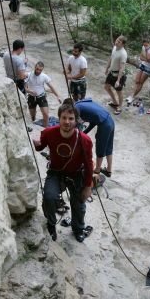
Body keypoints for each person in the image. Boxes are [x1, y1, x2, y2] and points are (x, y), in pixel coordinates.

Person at [33, 101, 94, 242]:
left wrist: (88, 186)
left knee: (78, 204)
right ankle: (51, 225)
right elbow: (40, 146)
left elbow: (89, 164)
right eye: (64, 118)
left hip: (77, 174)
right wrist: (35, 143)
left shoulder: (84, 140)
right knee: (49, 197)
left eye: (71, 118)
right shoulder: (48, 133)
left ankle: (78, 228)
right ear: (59, 118)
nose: (67, 122)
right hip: (56, 172)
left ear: (76, 120)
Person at [74, 97, 115, 178]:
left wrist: (78, 135)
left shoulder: (76, 108)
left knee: (100, 147)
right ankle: (108, 170)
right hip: (110, 121)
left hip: (105, 125)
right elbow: (93, 123)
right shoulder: (83, 103)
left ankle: (97, 170)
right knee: (108, 147)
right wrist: (83, 133)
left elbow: (76, 124)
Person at [25, 61, 62, 127]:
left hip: (41, 97)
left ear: (42, 70)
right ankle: (33, 124)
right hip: (31, 97)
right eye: (37, 69)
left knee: (46, 114)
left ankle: (45, 129)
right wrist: (30, 91)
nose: (38, 71)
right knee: (32, 115)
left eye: (40, 70)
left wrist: (58, 96)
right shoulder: (28, 75)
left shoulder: (44, 76)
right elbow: (25, 88)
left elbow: (51, 86)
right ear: (35, 67)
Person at [126, 38, 150, 105]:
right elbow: (141, 57)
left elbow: (148, 59)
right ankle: (132, 95)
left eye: (146, 45)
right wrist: (146, 58)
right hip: (143, 64)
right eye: (144, 45)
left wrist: (146, 51)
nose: (145, 46)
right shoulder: (143, 46)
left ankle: (132, 96)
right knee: (137, 81)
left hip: (149, 67)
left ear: (149, 43)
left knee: (140, 82)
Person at [104, 36, 128, 115]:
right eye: (117, 40)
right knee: (106, 87)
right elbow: (111, 58)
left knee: (119, 92)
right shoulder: (114, 48)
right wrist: (107, 68)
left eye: (119, 42)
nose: (117, 42)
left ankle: (120, 107)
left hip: (118, 75)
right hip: (111, 72)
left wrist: (118, 80)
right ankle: (115, 102)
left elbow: (122, 68)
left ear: (123, 44)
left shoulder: (123, 54)